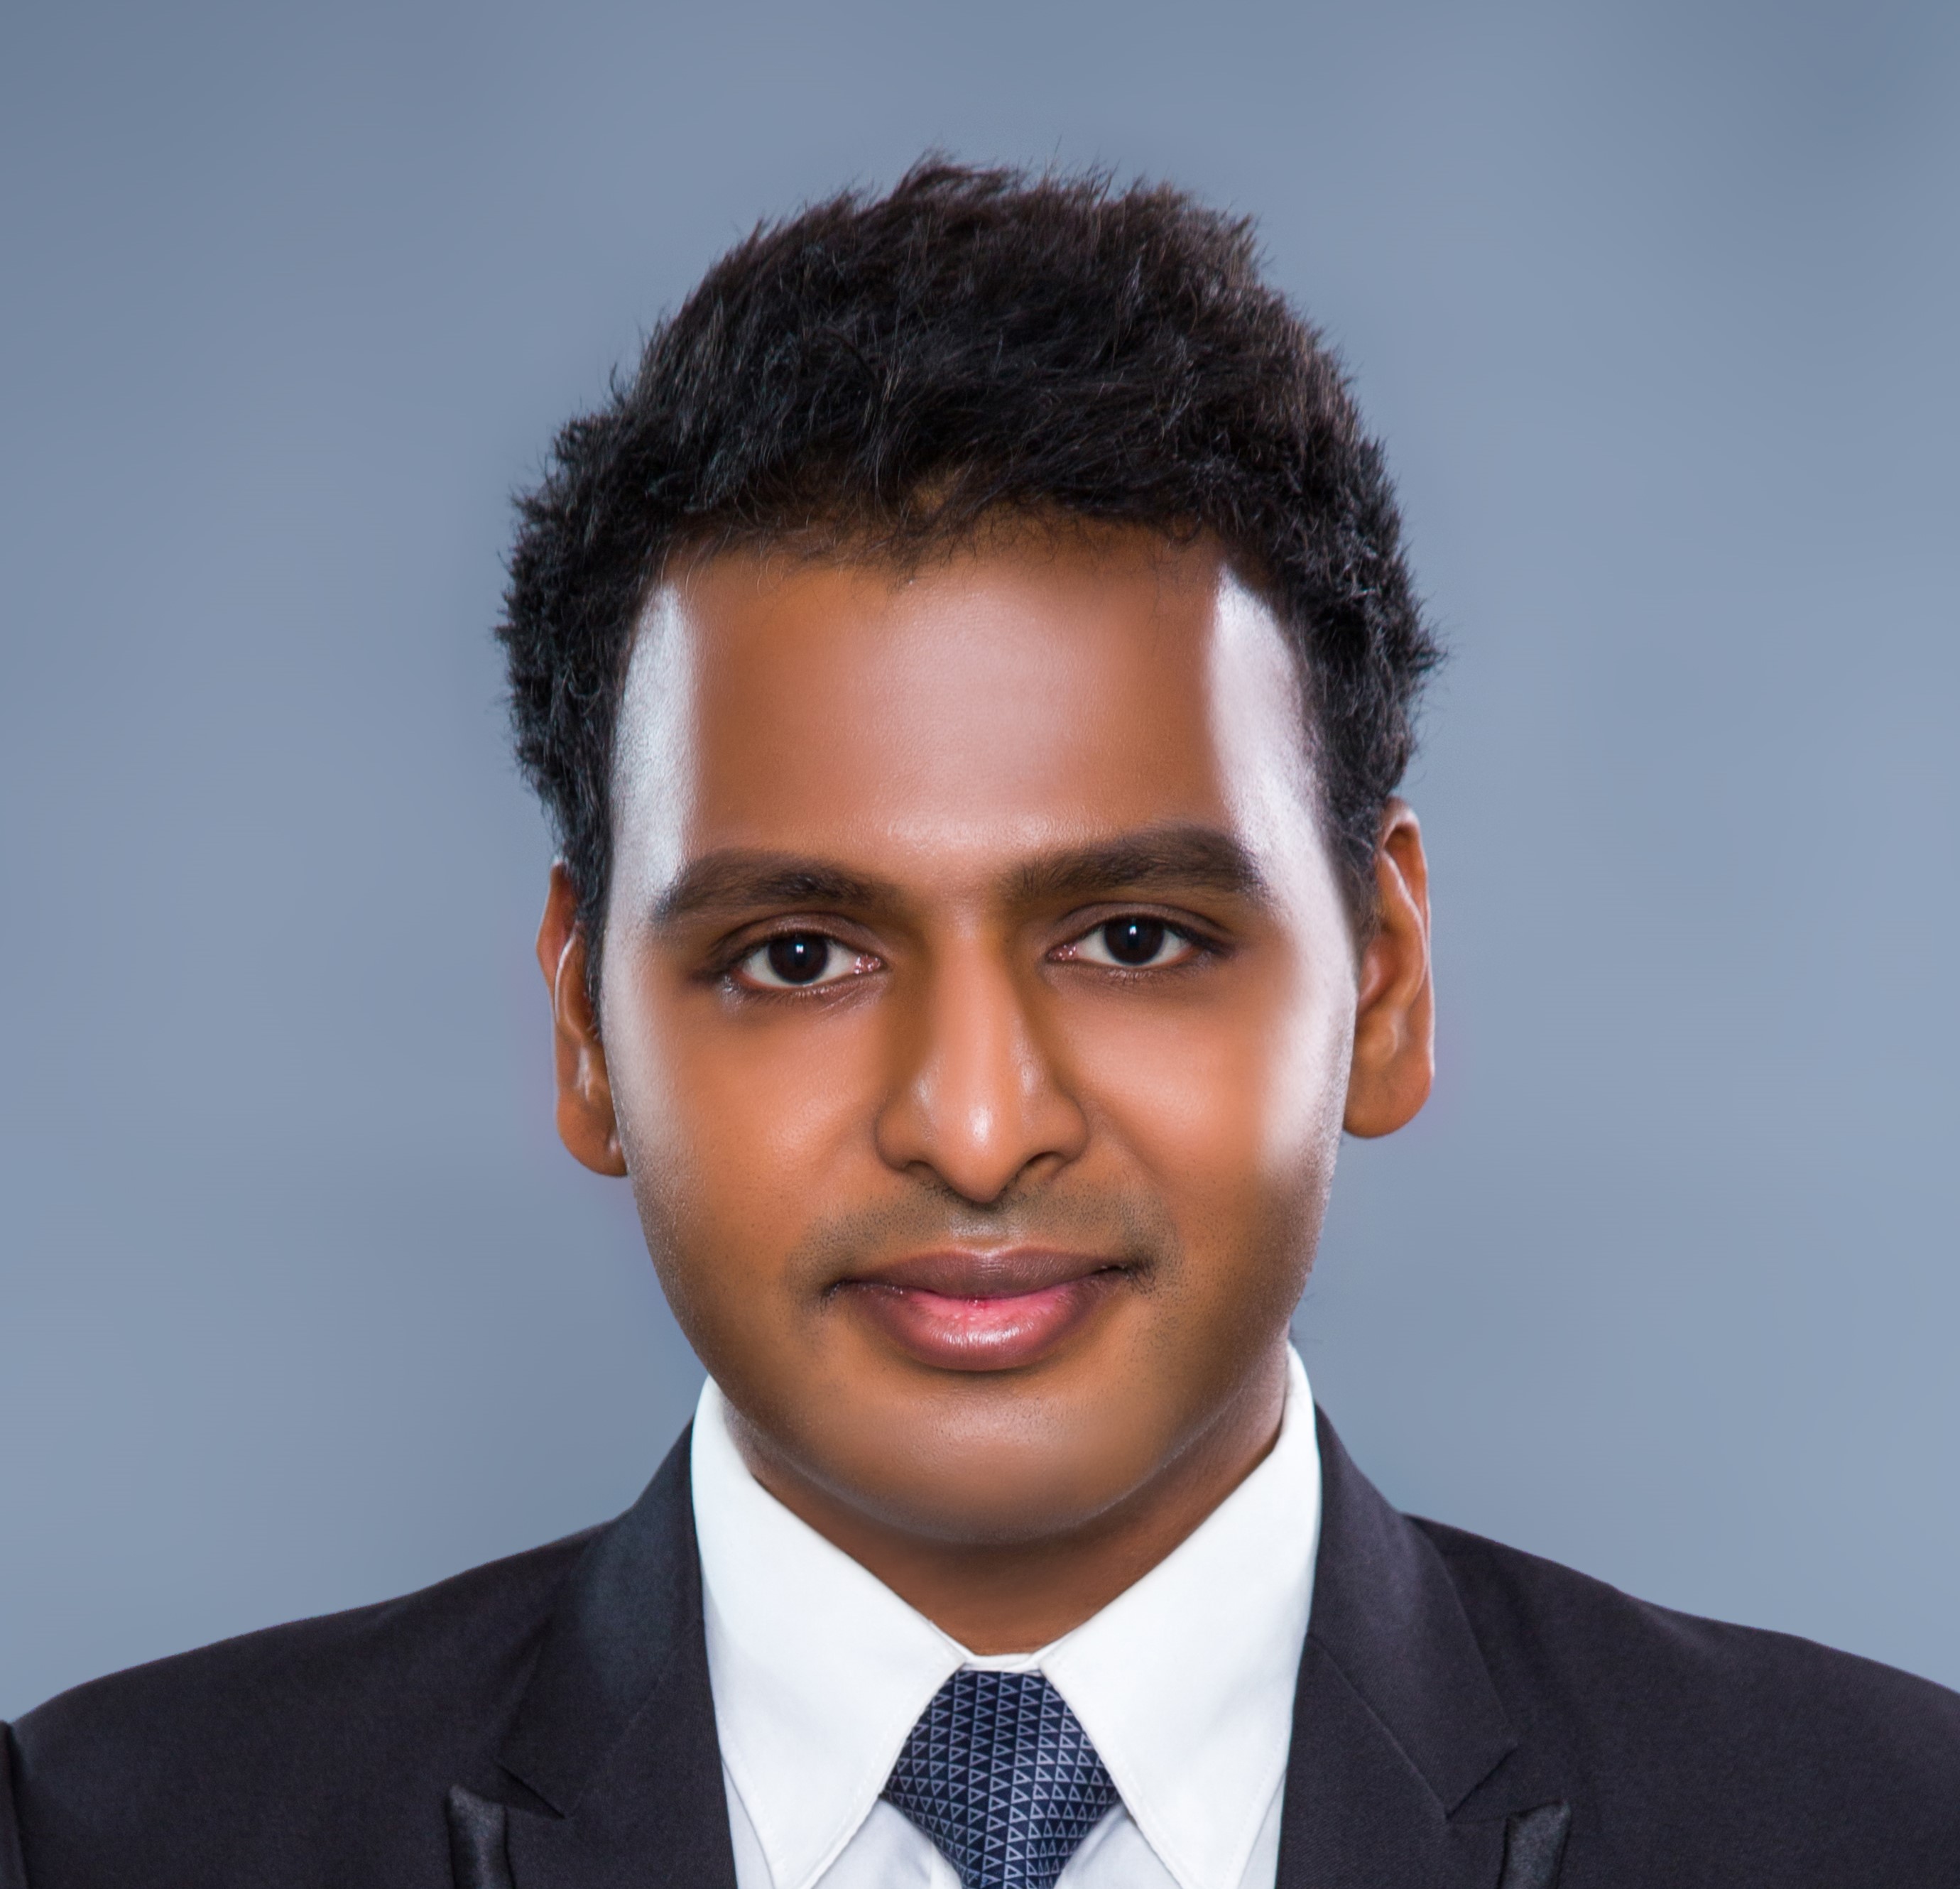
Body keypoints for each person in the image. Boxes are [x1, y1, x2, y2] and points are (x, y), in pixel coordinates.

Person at [4, 160, 1955, 1889]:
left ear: (1382, 978)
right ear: (585, 1029)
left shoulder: (1887, 1832)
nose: (974, 1123)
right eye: (797, 956)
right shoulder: (107, 1843)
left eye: (1133, 935)